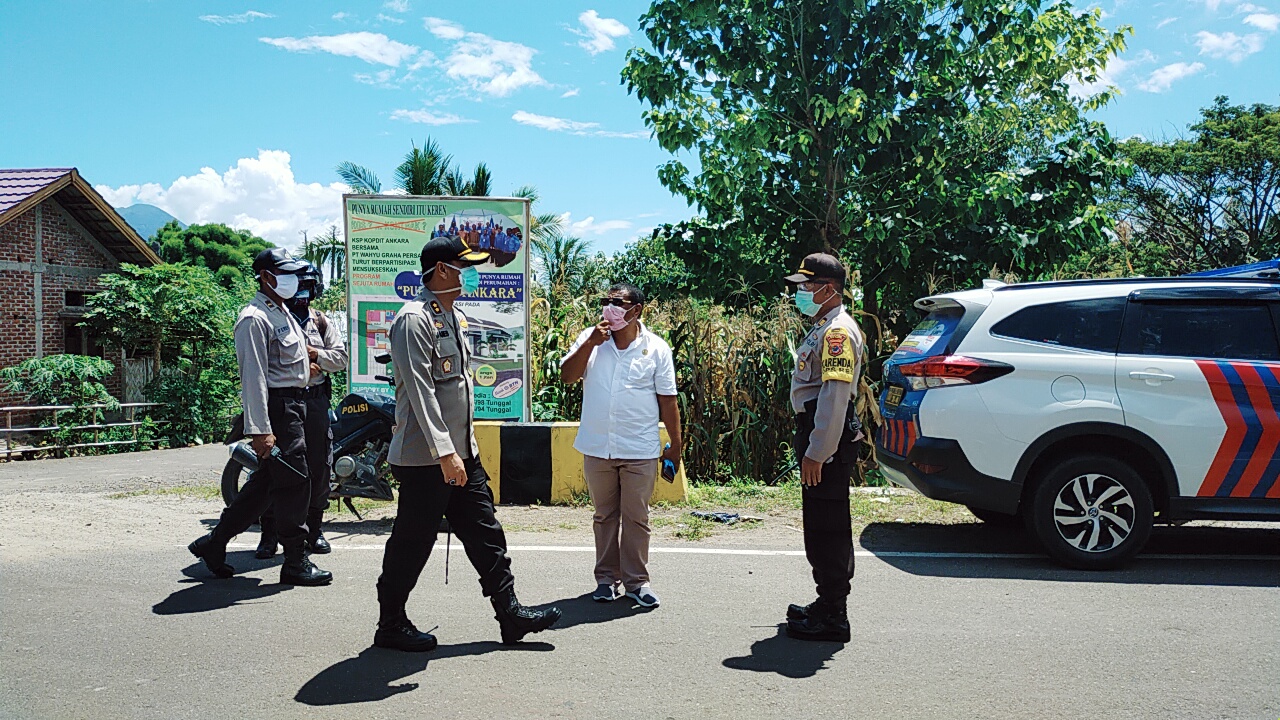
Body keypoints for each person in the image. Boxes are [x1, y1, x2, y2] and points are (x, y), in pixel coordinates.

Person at [373, 236, 562, 652]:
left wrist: (463, 451)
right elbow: (422, 393)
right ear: (442, 270)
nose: (469, 276)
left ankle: (509, 614)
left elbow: (458, 390)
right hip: (427, 458)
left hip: (461, 454)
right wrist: (445, 453)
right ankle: (390, 623)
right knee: (413, 542)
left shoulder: (449, 315)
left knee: (485, 532)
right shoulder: (413, 319)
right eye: (463, 268)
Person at [188, 248, 332, 587]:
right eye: (286, 274)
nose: (294, 281)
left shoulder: (281, 312)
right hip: (279, 410)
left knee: (267, 483)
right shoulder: (254, 318)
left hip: (297, 405)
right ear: (267, 277)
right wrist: (259, 430)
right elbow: (252, 378)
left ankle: (214, 542)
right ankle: (295, 560)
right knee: (296, 483)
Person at [559, 283, 682, 608]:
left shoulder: (656, 348)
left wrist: (676, 445)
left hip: (639, 448)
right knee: (604, 516)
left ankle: (637, 583)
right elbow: (567, 376)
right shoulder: (591, 340)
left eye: (618, 303)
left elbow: (668, 401)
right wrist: (590, 344)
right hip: (597, 447)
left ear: (636, 310)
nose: (609, 308)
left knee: (636, 517)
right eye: (606, 302)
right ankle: (605, 580)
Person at [781, 253, 864, 642]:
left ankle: (834, 614)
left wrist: (818, 451)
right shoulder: (824, 325)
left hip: (825, 440)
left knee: (828, 529)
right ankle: (826, 601)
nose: (801, 292)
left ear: (828, 289)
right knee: (819, 525)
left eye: (807, 286)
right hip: (818, 434)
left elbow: (834, 397)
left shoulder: (837, 333)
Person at [254, 262, 348, 560]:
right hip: (283, 403)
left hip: (316, 402)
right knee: (278, 469)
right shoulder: (272, 317)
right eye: (299, 286)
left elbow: (340, 357)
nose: (303, 294)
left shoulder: (320, 321)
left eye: (308, 287)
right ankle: (268, 535)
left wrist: (315, 354)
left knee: (319, 467)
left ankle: (314, 530)